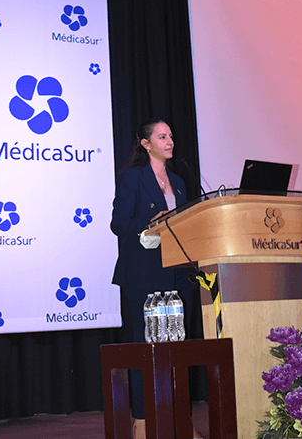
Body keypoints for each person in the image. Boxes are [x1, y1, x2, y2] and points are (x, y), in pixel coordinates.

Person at [110, 118, 203, 439]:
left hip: (178, 273)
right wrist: (150, 221)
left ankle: (182, 422)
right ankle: (142, 421)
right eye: (162, 137)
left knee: (178, 350)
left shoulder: (178, 181)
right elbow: (118, 223)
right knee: (146, 348)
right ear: (146, 143)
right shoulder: (132, 177)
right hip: (143, 274)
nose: (170, 141)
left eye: (171, 136)